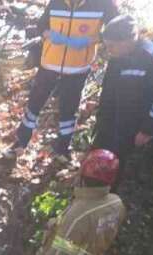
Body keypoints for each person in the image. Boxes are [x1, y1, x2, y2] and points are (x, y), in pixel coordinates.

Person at [12, 0, 119, 157]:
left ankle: (62, 149)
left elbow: (116, 30)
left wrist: (91, 40)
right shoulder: (57, 2)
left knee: (69, 108)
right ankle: (20, 141)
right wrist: (49, 34)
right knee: (34, 103)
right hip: (49, 63)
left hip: (78, 67)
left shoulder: (103, 4)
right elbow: (41, 25)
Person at [93, 16, 153, 178]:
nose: (109, 50)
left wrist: (147, 130)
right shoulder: (118, 57)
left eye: (112, 46)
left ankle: (110, 188)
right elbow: (109, 90)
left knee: (116, 161)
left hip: (132, 124)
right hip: (111, 118)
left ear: (128, 41)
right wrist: (101, 116)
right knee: (97, 156)